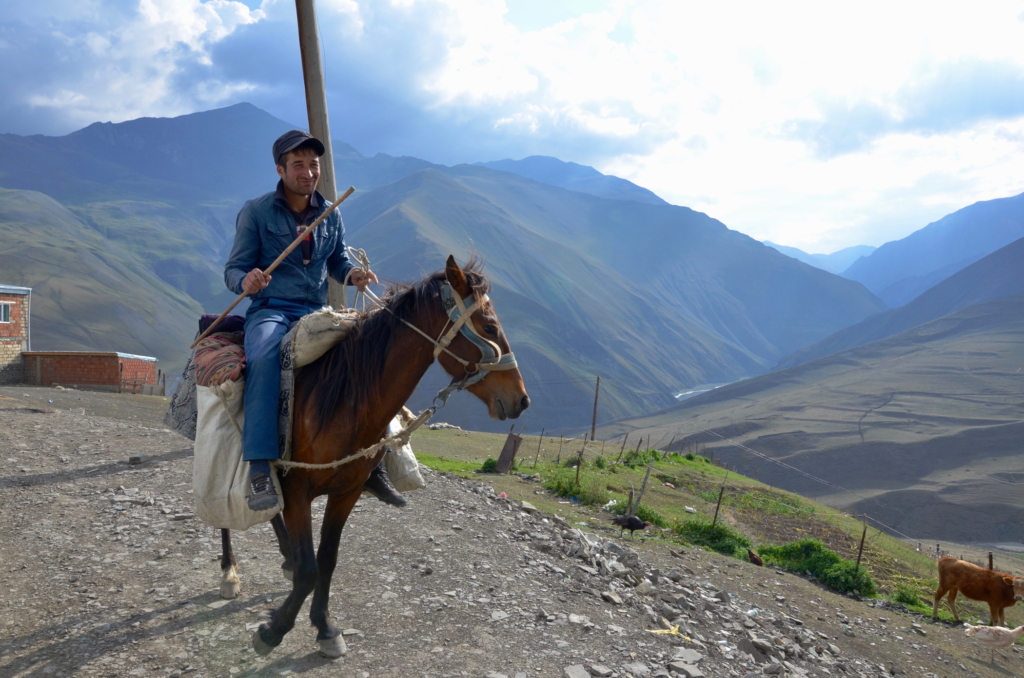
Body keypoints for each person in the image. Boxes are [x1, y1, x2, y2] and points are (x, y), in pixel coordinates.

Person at [224, 129, 406, 510]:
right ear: (281, 169)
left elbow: (337, 260)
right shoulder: (256, 212)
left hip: (317, 311)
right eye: (298, 165)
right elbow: (234, 269)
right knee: (263, 358)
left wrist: (352, 274)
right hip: (272, 308)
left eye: (313, 164)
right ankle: (259, 466)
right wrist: (247, 279)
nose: (308, 173)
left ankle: (376, 463)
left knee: (369, 356)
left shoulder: (330, 212)